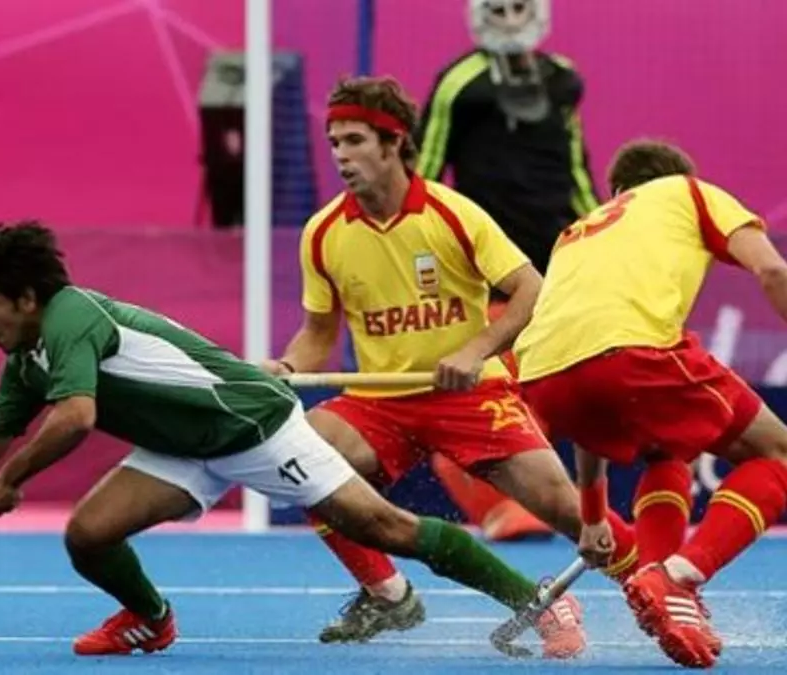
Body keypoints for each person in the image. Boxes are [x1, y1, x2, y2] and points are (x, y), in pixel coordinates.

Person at [0, 221, 584, 658]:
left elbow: (73, 418)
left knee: (383, 525)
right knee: (89, 535)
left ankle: (540, 602)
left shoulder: (71, 316)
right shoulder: (25, 360)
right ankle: (151, 620)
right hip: (182, 446)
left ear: (26, 298)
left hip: (253, 425)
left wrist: (11, 484)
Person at [263, 74, 638, 650]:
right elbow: (317, 335)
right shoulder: (323, 234)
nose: (340, 155)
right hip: (380, 402)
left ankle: (664, 595)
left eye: (355, 141)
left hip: (472, 395)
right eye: (334, 142)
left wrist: (474, 350)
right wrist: (289, 368)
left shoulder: (453, 213)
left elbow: (531, 289)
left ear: (394, 143)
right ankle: (386, 593)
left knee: (571, 511)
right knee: (300, 459)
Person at [514, 139, 787, 668]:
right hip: (632, 355)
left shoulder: (577, 233)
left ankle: (662, 596)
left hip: (546, 380)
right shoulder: (687, 191)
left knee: (664, 452)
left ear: (616, 192)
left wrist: (593, 516)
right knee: (777, 453)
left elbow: (587, 380)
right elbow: (773, 271)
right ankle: (679, 576)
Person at [410, 0, 610, 542]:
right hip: (487, 272)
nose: (509, 17)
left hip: (557, 266)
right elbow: (425, 171)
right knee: (476, 396)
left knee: (569, 386)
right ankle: (505, 507)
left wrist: (602, 237)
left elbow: (576, 169)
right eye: (497, 7)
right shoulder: (458, 83)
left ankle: (581, 508)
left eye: (519, 6)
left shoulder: (563, 79)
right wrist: (414, 249)